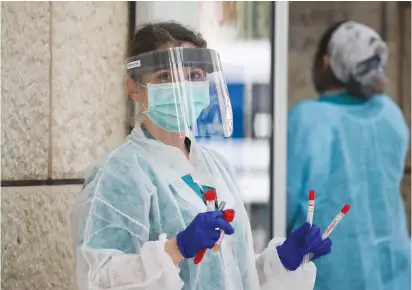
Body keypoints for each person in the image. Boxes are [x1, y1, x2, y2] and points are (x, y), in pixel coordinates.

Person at [70, 21, 332, 290]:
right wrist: (176, 249)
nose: (182, 88)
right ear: (134, 87)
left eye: (194, 75)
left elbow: (228, 274)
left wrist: (282, 262)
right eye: (166, 76)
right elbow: (98, 279)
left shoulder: (214, 167)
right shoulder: (119, 175)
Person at [287, 21, 411, 290]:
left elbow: (284, 202)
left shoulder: (308, 120)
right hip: (396, 275)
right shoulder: (390, 114)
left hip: (330, 277)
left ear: (326, 62)